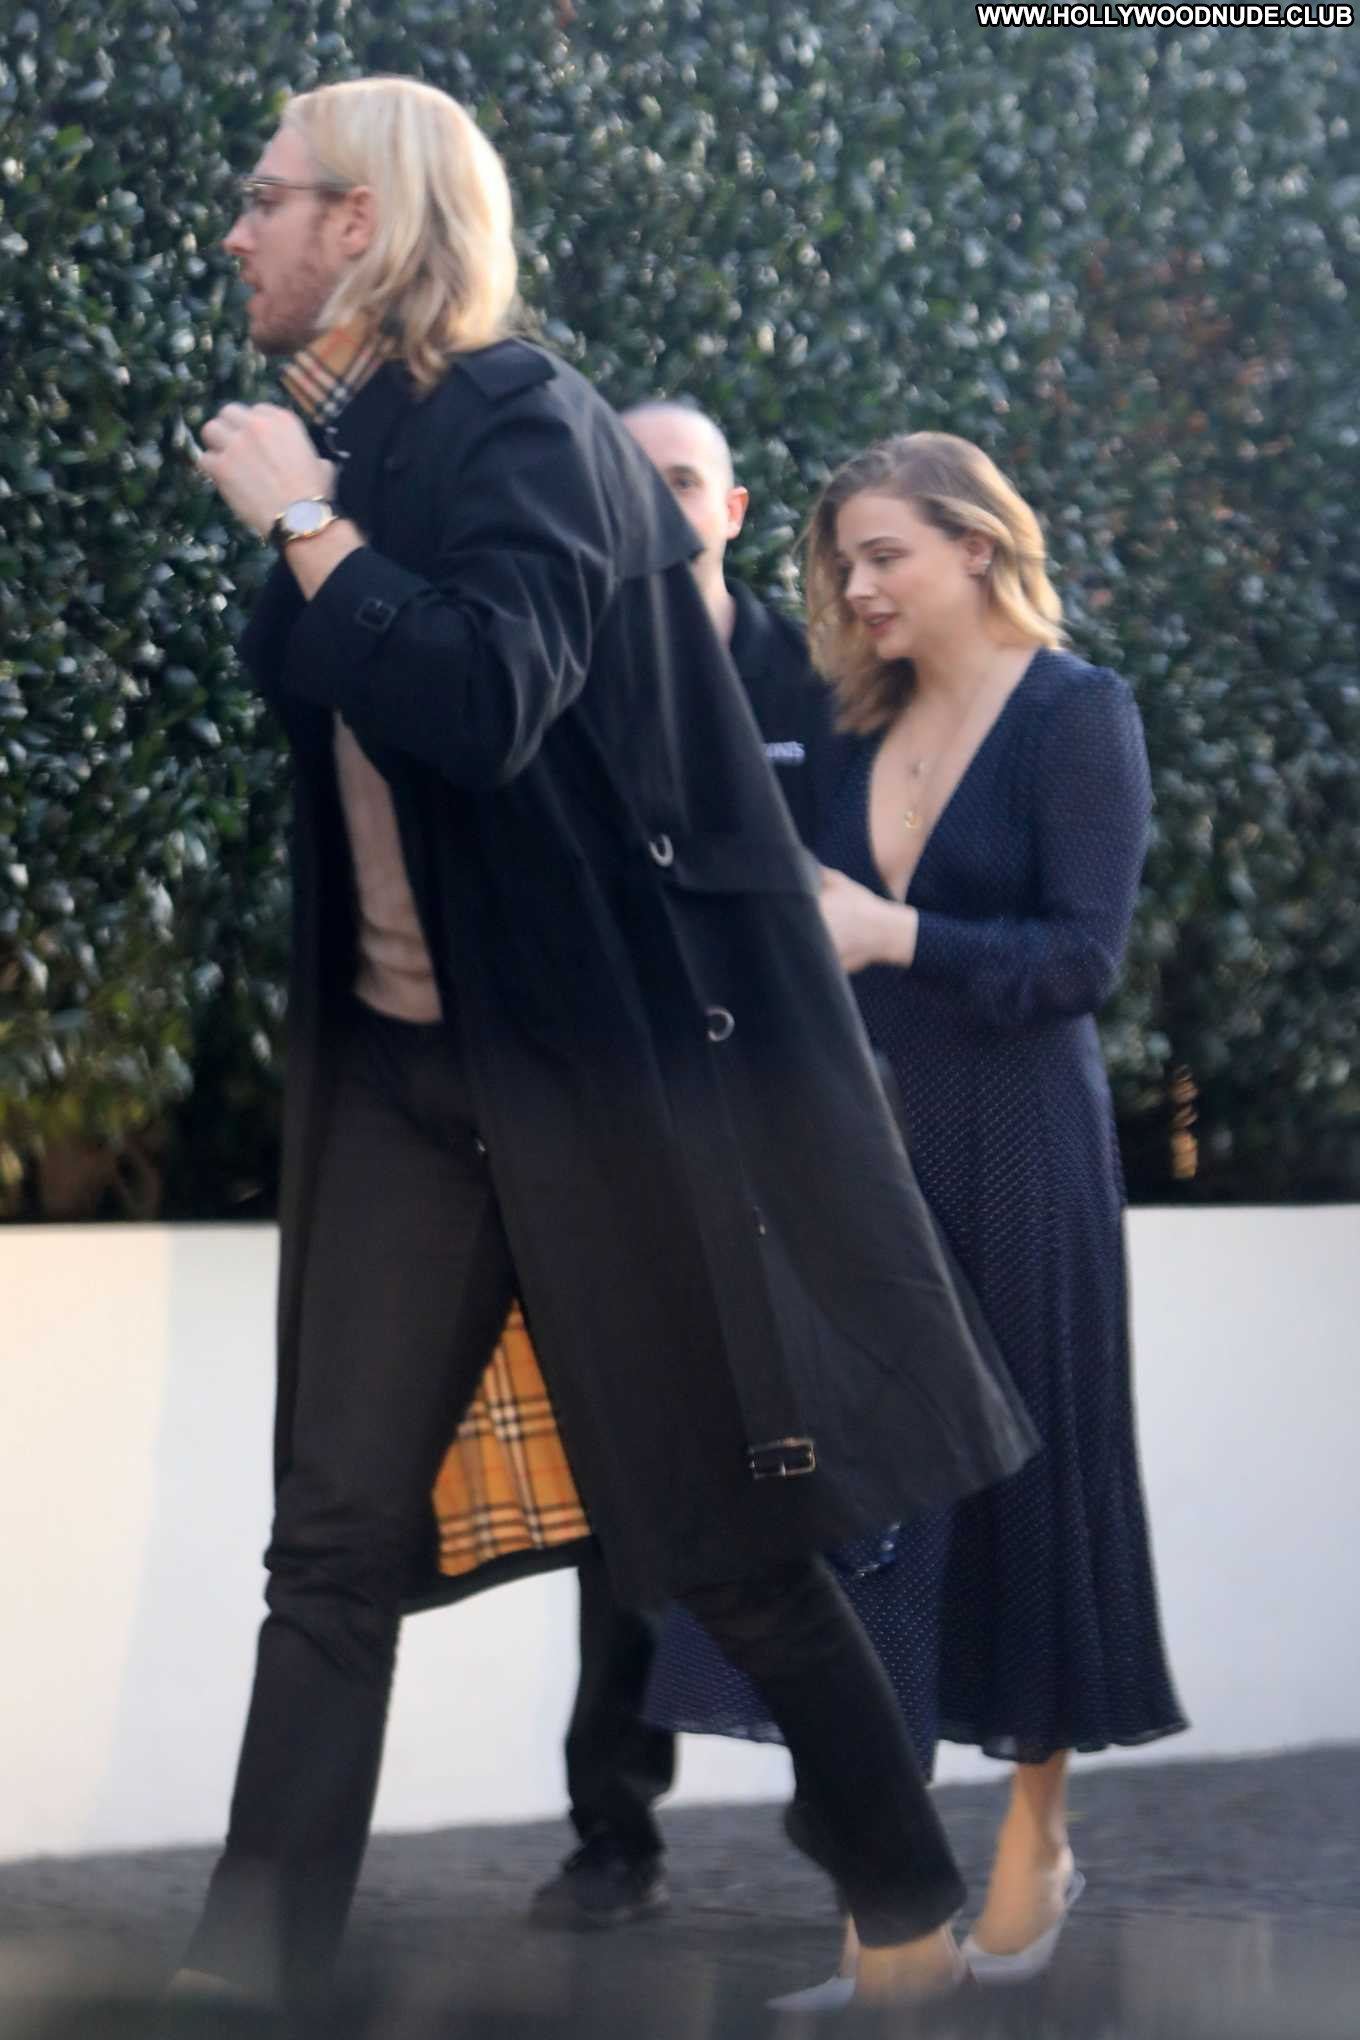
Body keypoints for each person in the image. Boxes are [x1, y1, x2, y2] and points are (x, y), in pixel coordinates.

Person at [181, 80, 1036, 2012]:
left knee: (721, 1538)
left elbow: (486, 695)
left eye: (267, 198)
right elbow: (333, 675)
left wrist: (304, 521)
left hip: (584, 1080)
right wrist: (316, 507)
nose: (238, 232)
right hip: (406, 1082)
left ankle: (905, 1912)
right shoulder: (356, 439)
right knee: (330, 1546)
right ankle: (237, 1984)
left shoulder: (526, 424)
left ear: (365, 223)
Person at [644, 431, 1187, 1999]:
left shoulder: (1077, 716)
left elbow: (1080, 962)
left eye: (883, 555)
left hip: (1020, 1152)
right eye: (843, 563)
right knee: (861, 1512)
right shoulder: (844, 718)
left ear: (975, 544)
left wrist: (900, 937)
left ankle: (1038, 1834)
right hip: (853, 1155)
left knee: (1027, 1490)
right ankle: (886, 1926)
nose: (857, 587)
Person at [528, 399, 845, 1932]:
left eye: (681, 481)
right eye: (629, 481)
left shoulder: (825, 690)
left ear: (730, 509)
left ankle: (857, 1825)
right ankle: (613, 1836)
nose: (655, 505)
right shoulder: (566, 679)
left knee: (844, 1486)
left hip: (806, 1142)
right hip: (631, 1140)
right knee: (630, 1502)